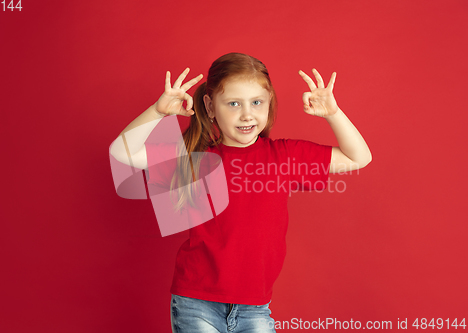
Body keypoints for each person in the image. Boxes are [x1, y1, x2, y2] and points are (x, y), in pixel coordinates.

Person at [109, 53, 372, 333]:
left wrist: (333, 114)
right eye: (233, 103)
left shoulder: (284, 156)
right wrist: (158, 112)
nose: (247, 114)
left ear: (269, 103)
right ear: (210, 107)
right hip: (196, 303)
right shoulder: (195, 158)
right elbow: (122, 153)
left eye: (256, 102)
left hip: (255, 308)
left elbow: (358, 158)